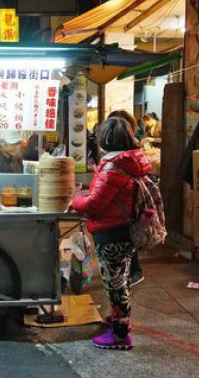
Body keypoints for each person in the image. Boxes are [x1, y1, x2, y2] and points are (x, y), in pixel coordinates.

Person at [71, 117, 151, 350]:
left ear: (105, 140)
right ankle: (120, 320)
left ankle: (120, 335)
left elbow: (94, 204)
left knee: (115, 283)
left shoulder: (113, 166)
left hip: (111, 230)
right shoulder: (130, 161)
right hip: (124, 229)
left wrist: (74, 200)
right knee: (121, 279)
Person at [107, 110, 145, 286]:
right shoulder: (134, 152)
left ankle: (132, 273)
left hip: (122, 206)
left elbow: (111, 184)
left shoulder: (121, 157)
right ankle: (133, 271)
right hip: (129, 205)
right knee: (128, 237)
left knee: (123, 238)